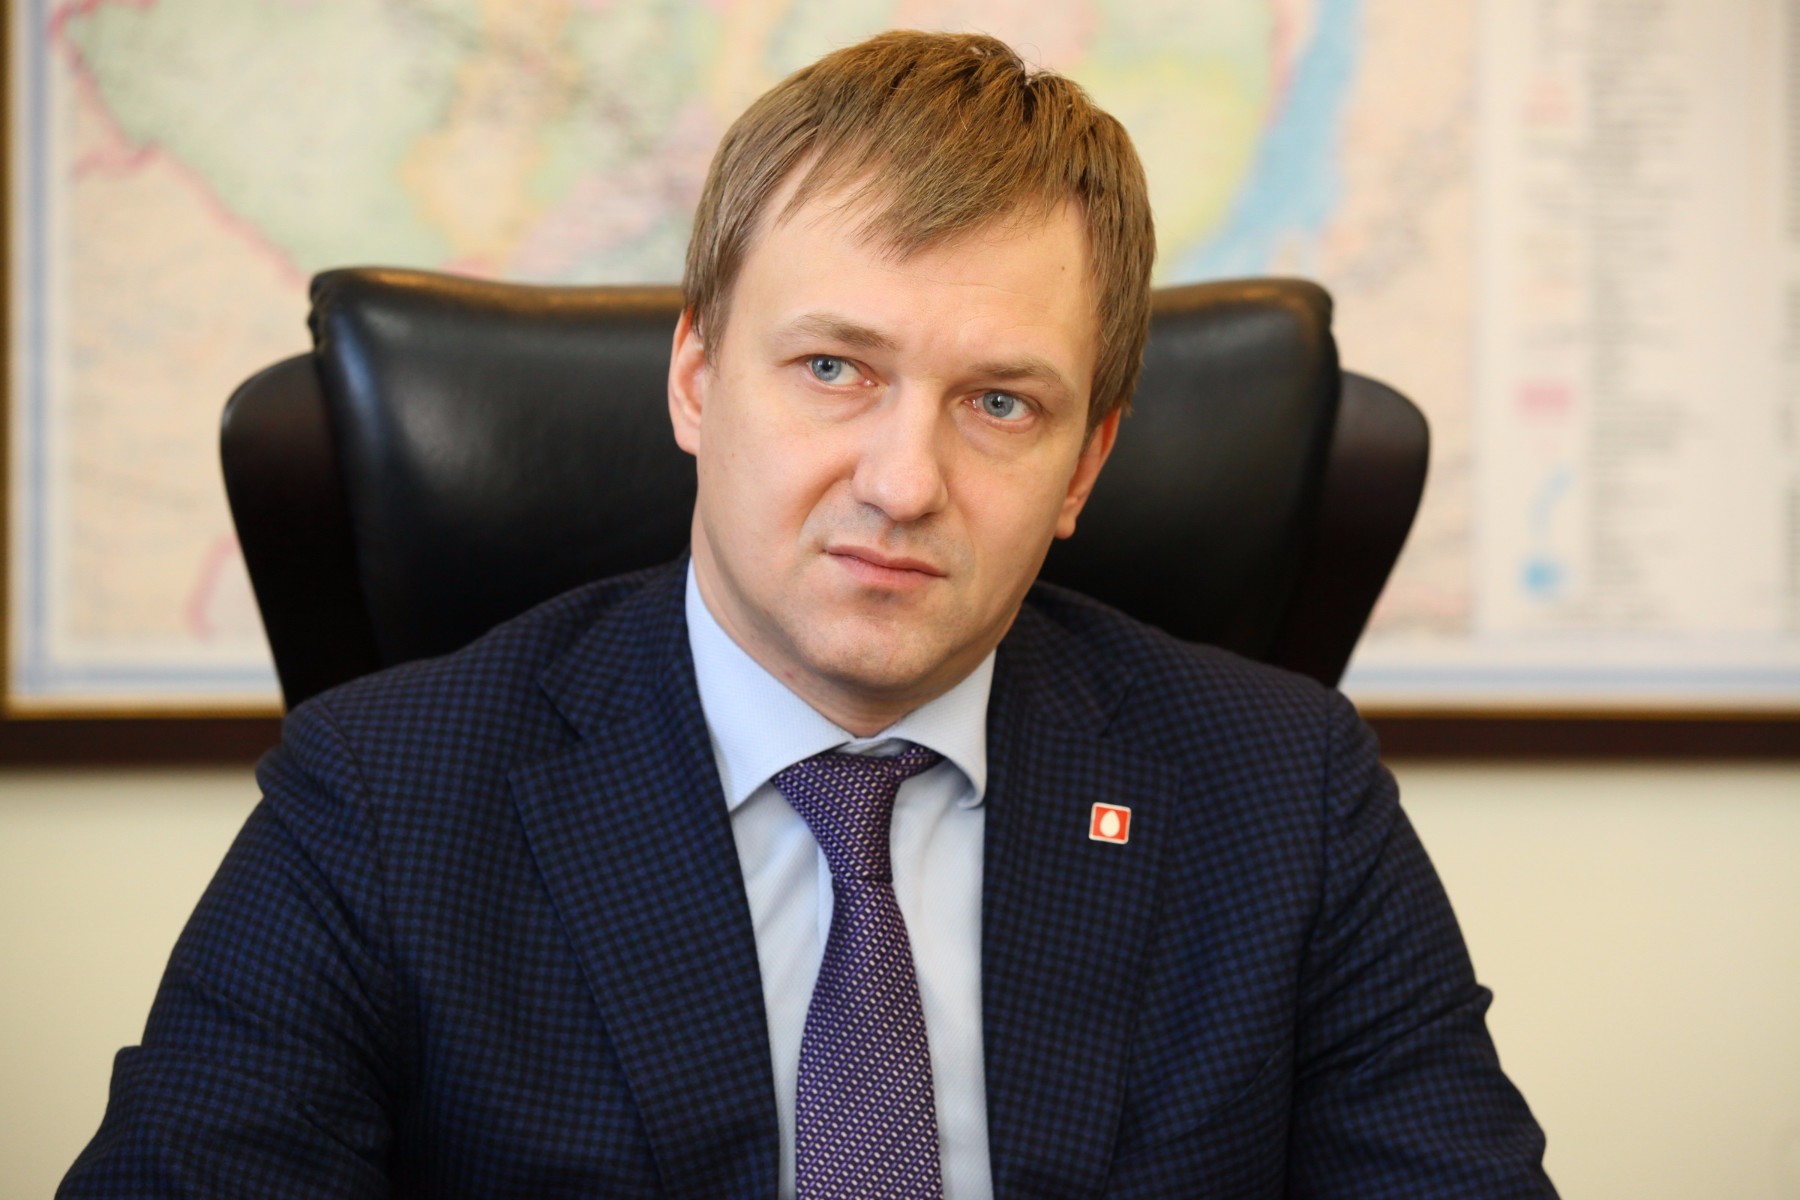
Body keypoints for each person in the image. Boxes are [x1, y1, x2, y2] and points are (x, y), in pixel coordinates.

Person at [62, 30, 1554, 1199]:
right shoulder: (386, 799)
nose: (903, 483)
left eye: (1000, 402)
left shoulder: (1284, 798)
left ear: (1087, 466)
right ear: (696, 380)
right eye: (834, 369)